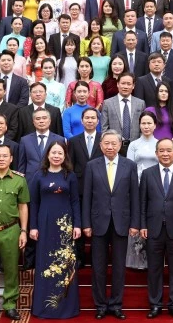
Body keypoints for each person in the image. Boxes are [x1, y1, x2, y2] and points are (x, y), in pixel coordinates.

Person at [83, 130, 141, 320]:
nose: (110, 147)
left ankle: (116, 304)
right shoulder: (92, 166)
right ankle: (100, 304)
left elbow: (134, 196)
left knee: (118, 267)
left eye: (113, 144)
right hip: (98, 222)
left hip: (122, 223)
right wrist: (86, 223)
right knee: (98, 267)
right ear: (100, 145)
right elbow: (87, 197)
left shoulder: (129, 166)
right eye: (106, 143)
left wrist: (135, 223)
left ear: (120, 145)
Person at [140, 138, 173, 320]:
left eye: (168, 150)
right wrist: (142, 225)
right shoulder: (147, 174)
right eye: (161, 151)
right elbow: (142, 203)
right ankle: (155, 304)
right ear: (156, 153)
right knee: (154, 269)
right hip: (153, 229)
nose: (165, 154)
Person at [28, 142, 81, 319]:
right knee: (45, 264)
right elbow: (33, 203)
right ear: (48, 155)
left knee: (65, 266)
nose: (57, 156)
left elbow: (75, 202)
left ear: (65, 156)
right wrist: (33, 226)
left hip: (65, 226)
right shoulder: (39, 176)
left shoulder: (70, 176)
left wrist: (77, 225)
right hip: (44, 224)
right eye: (53, 153)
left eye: (60, 153)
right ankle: (44, 308)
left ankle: (66, 308)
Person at [68, 108, 103, 268]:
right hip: (80, 188)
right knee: (80, 222)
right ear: (82, 121)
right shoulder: (74, 141)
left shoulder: (104, 140)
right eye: (87, 118)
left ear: (98, 121)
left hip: (101, 188)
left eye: (93, 118)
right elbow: (70, 166)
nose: (90, 121)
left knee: (98, 223)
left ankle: (98, 258)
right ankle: (80, 257)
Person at [124, 111, 159, 270]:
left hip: (155, 186)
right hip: (136, 185)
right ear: (139, 125)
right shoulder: (133, 144)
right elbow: (130, 167)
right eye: (143, 123)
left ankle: (151, 256)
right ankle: (136, 259)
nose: (146, 126)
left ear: (155, 125)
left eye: (149, 123)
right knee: (137, 217)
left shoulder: (159, 143)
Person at [101, 73, 145, 156]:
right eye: (123, 83)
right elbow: (104, 127)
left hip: (136, 146)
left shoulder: (140, 103)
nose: (125, 86)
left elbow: (143, 125)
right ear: (117, 84)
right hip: (114, 147)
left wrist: (141, 143)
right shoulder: (108, 103)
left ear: (133, 86)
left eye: (129, 84)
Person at [18, 108, 67, 177]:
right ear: (33, 122)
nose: (41, 121)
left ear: (49, 121)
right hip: (30, 180)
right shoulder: (25, 140)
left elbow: (64, 163)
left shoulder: (59, 139)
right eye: (38, 119)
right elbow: (22, 164)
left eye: (44, 118)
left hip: (52, 179)